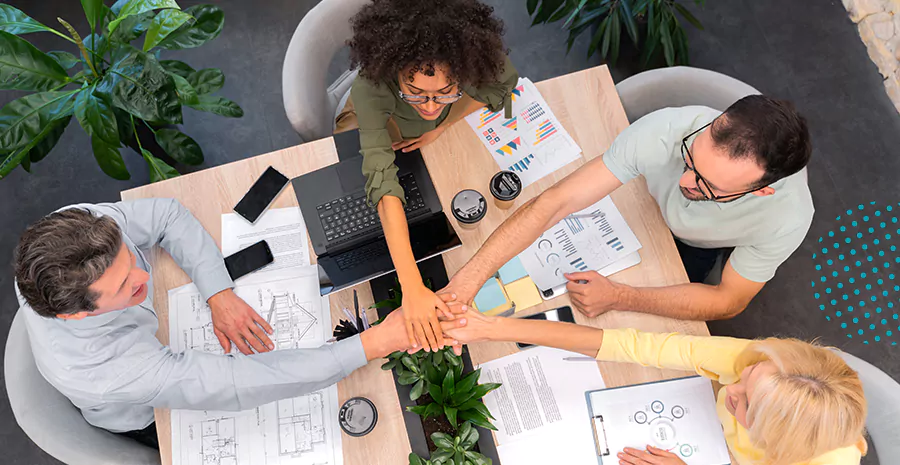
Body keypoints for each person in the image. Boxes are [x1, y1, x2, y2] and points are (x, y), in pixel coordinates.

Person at [13, 200, 462, 447]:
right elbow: (242, 381)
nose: (145, 277)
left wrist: (218, 291)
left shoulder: (78, 228)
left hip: (154, 346)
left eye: (133, 258)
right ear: (76, 312)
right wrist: (376, 340)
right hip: (144, 415)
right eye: (126, 286)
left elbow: (167, 216)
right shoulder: (108, 371)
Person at [442, 96, 814, 320]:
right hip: (641, 205)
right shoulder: (668, 129)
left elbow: (728, 300)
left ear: (762, 192)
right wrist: (467, 281)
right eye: (689, 159)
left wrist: (622, 296)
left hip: (698, 245)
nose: (686, 182)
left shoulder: (788, 218)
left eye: (709, 186)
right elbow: (556, 203)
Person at [442, 308, 868, 465]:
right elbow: (636, 346)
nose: (727, 387)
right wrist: (494, 327)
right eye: (743, 379)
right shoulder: (758, 363)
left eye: (742, 404)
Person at [339, 0, 519, 351]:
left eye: (445, 92)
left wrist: (444, 124)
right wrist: (411, 284)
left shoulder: (471, 65)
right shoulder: (371, 89)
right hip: (377, 126)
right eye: (416, 92)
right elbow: (382, 180)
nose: (432, 106)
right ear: (394, 70)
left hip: (426, 142)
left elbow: (502, 86)